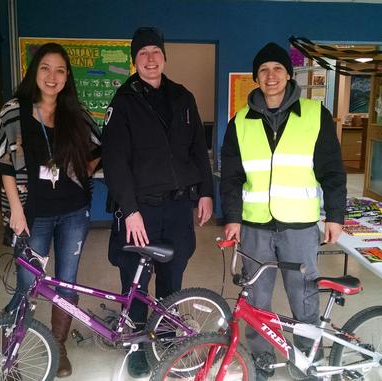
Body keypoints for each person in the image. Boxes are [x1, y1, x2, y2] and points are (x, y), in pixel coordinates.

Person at [220, 42, 346, 380]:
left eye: (277, 69)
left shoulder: (315, 115)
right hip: (255, 226)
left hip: (299, 227)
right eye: (263, 71)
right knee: (256, 302)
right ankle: (263, 362)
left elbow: (332, 169)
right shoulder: (240, 122)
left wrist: (335, 214)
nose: (271, 76)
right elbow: (230, 176)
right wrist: (232, 218)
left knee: (303, 298)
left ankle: (307, 360)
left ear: (288, 74)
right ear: (256, 79)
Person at [102, 26, 214, 378]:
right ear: (135, 61)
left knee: (173, 274)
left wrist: (205, 192)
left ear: (164, 57)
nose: (150, 59)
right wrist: (130, 210)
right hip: (141, 209)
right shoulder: (123, 102)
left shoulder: (183, 97)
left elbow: (198, 148)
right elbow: (115, 160)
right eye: (143, 54)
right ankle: (136, 344)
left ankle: (164, 337)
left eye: (155, 52)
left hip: (179, 207)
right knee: (135, 279)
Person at [0, 42, 101, 378]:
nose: (52, 76)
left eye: (59, 70)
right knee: (27, 286)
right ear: (34, 72)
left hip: (73, 213)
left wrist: (77, 170)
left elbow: (100, 149)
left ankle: (58, 346)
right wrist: (16, 210)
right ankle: (10, 354)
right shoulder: (14, 111)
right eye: (45, 68)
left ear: (67, 76)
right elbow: (4, 164)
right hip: (32, 213)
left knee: (67, 285)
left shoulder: (77, 115)